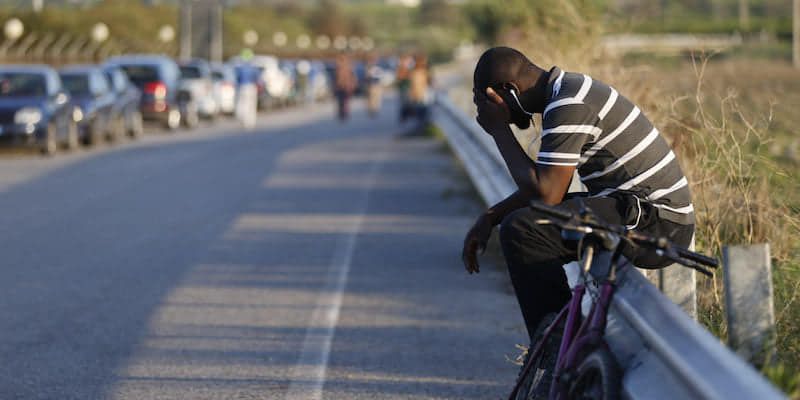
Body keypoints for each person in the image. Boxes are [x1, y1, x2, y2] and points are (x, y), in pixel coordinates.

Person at [463, 47, 695, 346]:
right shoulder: (565, 93)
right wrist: (491, 216)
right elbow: (547, 189)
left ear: (509, 90)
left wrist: (499, 131)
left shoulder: (570, 102)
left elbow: (546, 194)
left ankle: (555, 346)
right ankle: (565, 347)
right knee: (521, 223)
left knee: (523, 230)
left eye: (490, 105)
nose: (494, 117)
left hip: (658, 223)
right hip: (636, 211)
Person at [334, 54, 357, 121]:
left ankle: (345, 113)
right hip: (340, 87)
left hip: (346, 87)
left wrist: (352, 85)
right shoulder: (338, 68)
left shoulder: (348, 67)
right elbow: (336, 78)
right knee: (340, 101)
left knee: (345, 101)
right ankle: (342, 113)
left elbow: (353, 77)